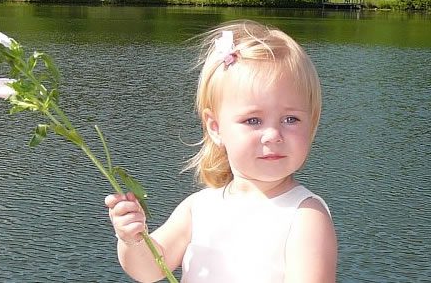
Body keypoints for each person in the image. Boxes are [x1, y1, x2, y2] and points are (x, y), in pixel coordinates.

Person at [105, 19, 337, 283]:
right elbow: (147, 270)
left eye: (291, 119)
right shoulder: (199, 207)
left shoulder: (305, 216)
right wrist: (132, 239)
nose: (273, 135)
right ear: (215, 128)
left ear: (312, 124)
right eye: (253, 121)